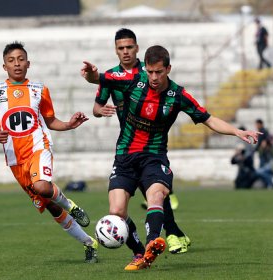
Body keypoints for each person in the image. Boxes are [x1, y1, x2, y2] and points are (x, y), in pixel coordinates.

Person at [82, 45, 260, 270]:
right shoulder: (132, 81)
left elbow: (209, 119)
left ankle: (150, 246)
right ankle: (138, 252)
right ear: (145, 69)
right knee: (117, 212)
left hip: (154, 158)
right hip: (125, 157)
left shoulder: (178, 95)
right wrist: (90, 75)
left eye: (159, 72)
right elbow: (98, 78)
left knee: (156, 196)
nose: (154, 77)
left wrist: (237, 131)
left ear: (168, 69)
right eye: (150, 71)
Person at [0, 41, 98, 263]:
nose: (16, 64)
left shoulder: (39, 90)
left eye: (20, 59)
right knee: (50, 206)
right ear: (4, 66)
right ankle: (89, 243)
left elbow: (50, 120)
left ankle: (72, 206)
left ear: (28, 63)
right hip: (16, 160)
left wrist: (68, 124)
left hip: (39, 147)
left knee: (42, 187)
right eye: (11, 60)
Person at [90, 28, 190, 267]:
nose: (125, 52)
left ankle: (169, 236)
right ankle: (159, 241)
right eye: (120, 48)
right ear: (116, 50)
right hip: (127, 145)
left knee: (157, 194)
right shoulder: (112, 76)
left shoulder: (147, 73)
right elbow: (96, 105)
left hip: (152, 146)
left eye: (129, 47)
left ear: (137, 48)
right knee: (122, 207)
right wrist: (100, 111)